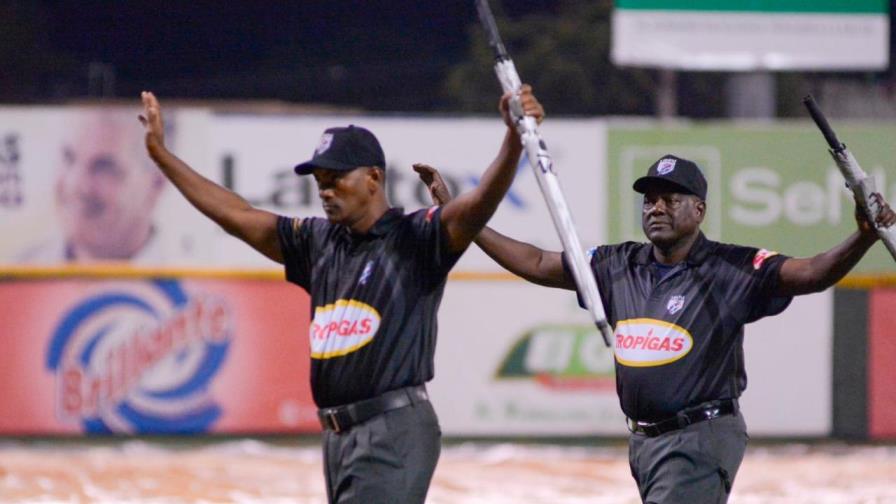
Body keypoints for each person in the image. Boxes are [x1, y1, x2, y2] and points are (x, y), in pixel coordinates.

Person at [138, 87, 543, 503]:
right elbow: (238, 215)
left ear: (373, 178)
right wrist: (161, 155)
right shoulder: (318, 242)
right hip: (339, 438)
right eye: (319, 182)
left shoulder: (415, 236)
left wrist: (513, 139)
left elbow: (479, 204)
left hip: (392, 429)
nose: (325, 190)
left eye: (335, 179)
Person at [415, 155, 896, 504]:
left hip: (699, 438)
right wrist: (467, 219)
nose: (656, 208)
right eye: (649, 200)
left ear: (699, 210)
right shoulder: (618, 263)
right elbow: (537, 261)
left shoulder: (732, 266)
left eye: (670, 198)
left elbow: (812, 273)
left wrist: (863, 235)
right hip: (645, 444)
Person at [18, 110, 167, 263]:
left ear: (156, 186)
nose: (75, 184)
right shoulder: (15, 275)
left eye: (104, 167)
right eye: (68, 157)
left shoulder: (188, 280)